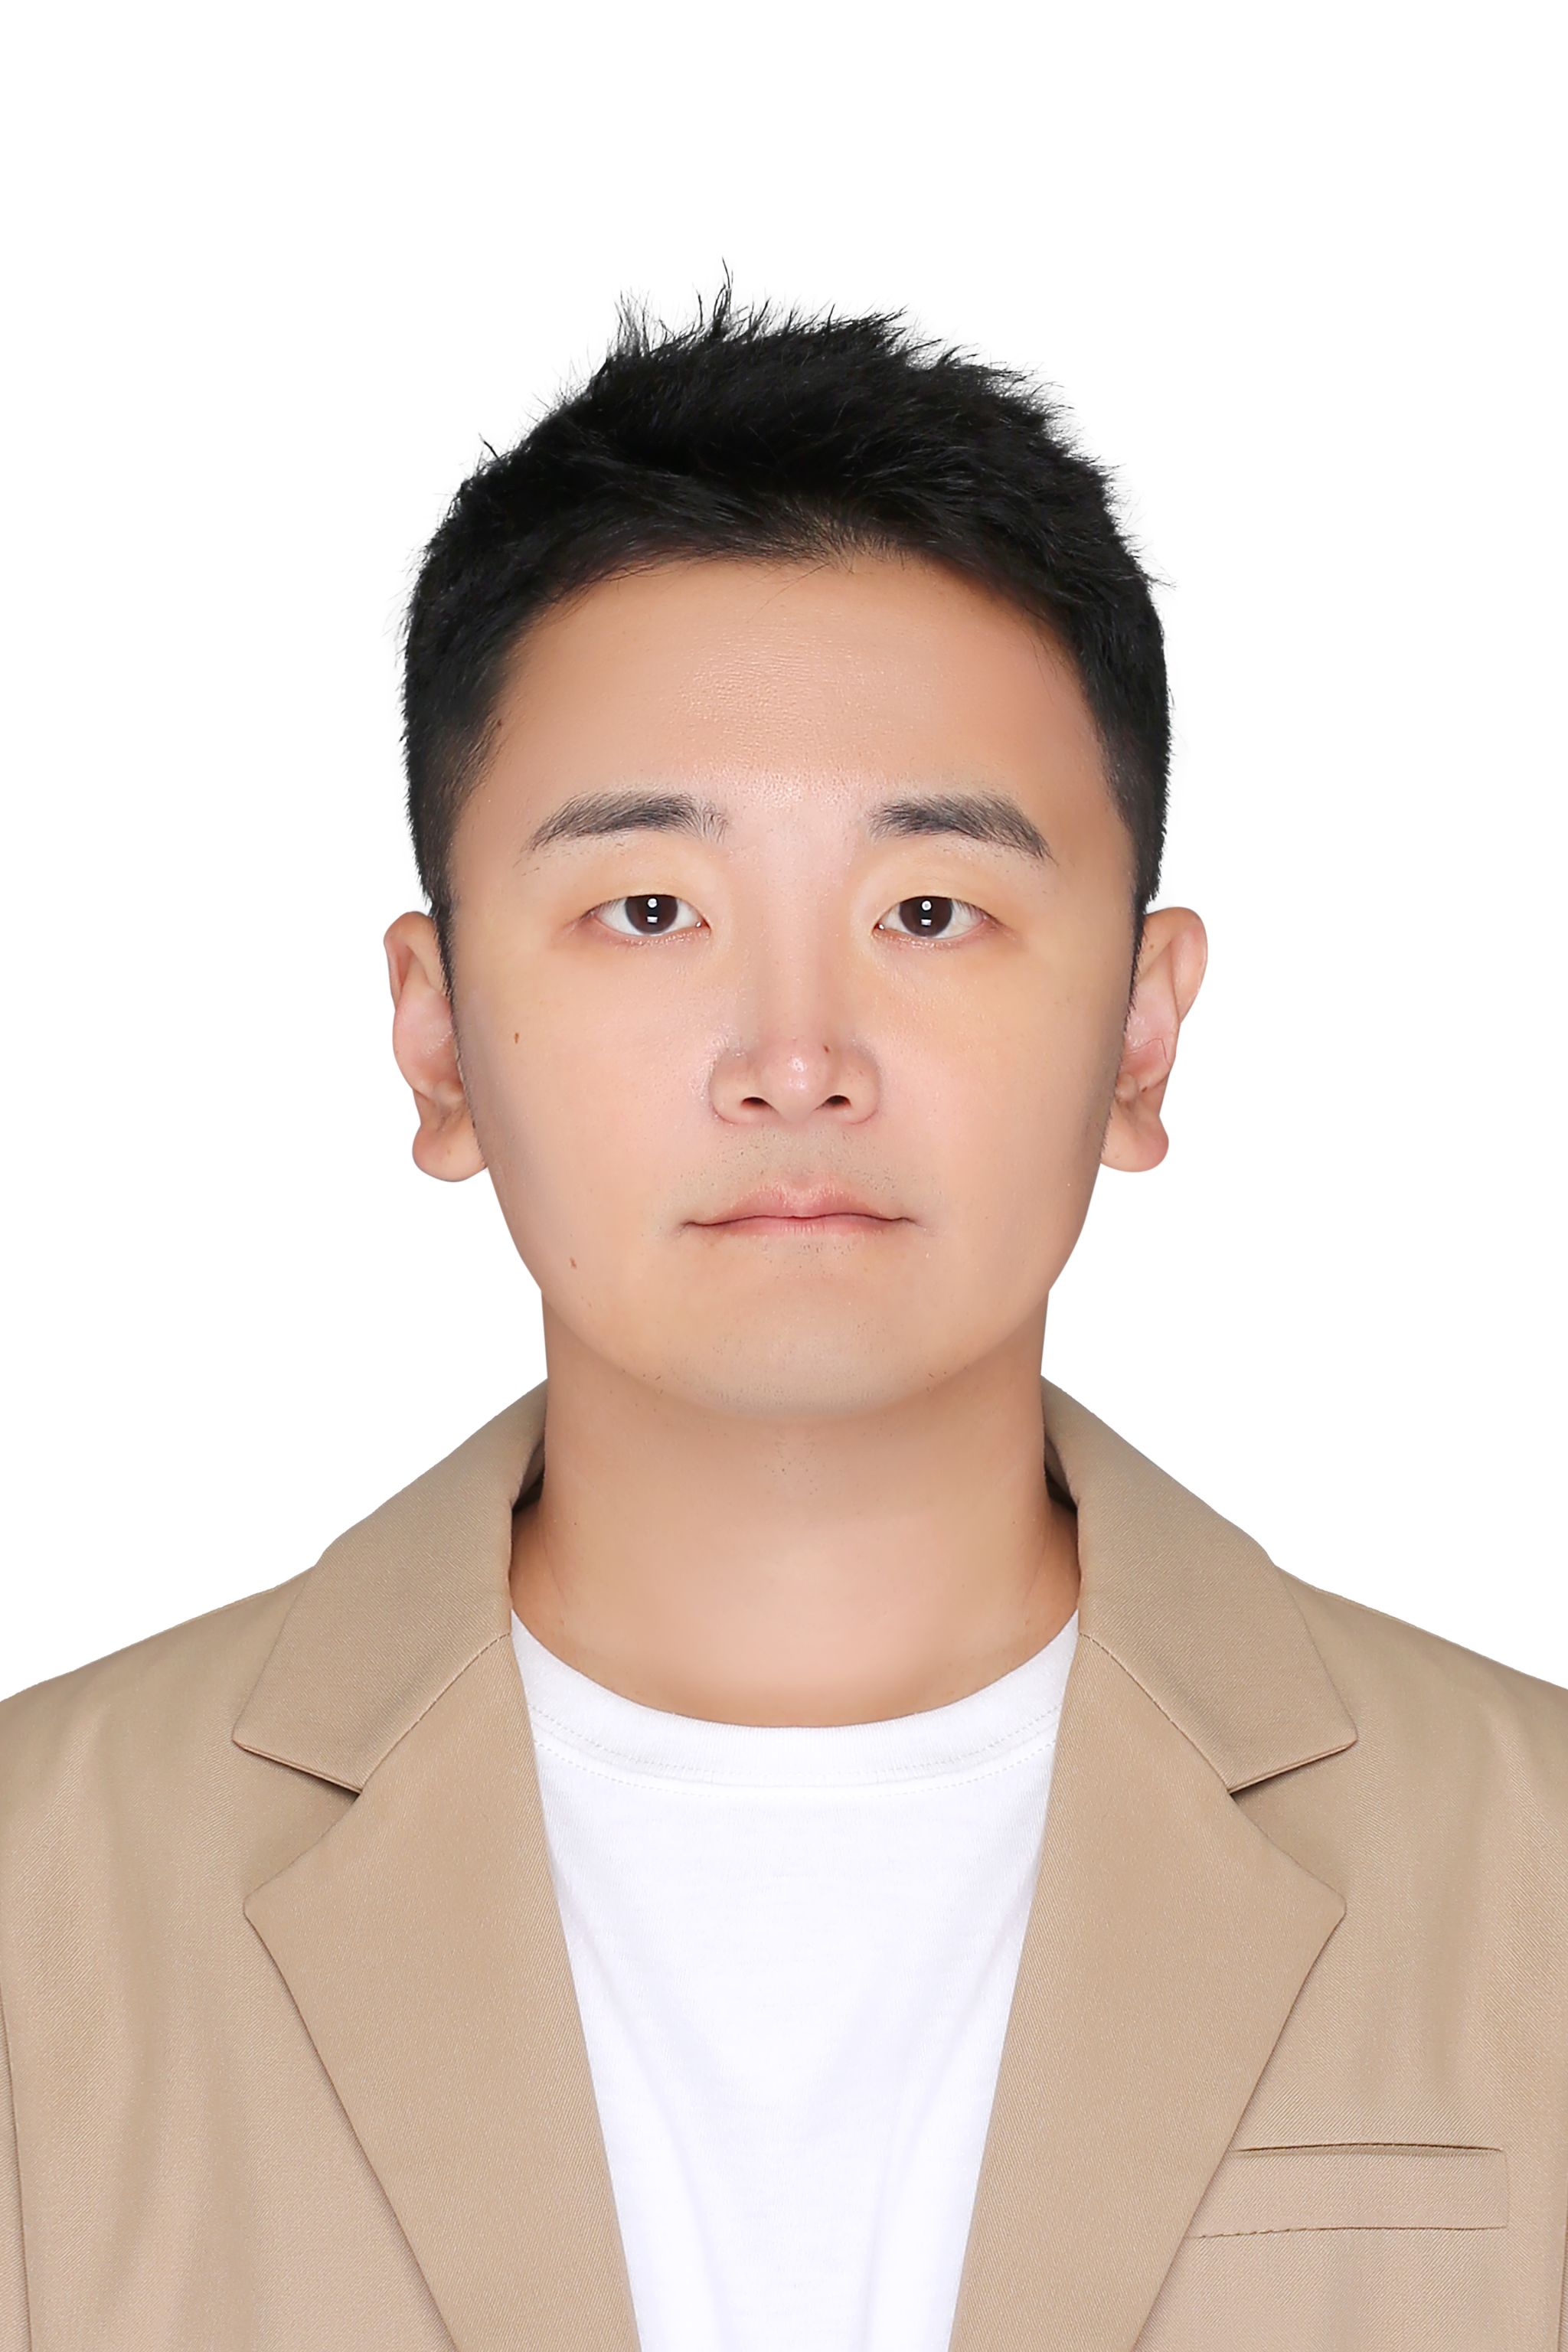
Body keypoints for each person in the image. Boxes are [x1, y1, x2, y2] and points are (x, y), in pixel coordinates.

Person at [2, 283, 1565, 2352]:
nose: (797, 1059)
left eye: (931, 910)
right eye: (650, 909)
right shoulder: (41, 1905)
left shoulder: (1531, 1881)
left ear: (1142, 1029)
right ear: (439, 1036)